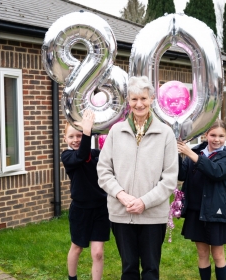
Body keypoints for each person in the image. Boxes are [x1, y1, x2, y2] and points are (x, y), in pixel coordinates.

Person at [97, 76, 178, 280]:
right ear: (128, 101)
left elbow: (169, 179)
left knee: (151, 270)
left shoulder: (166, 133)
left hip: (153, 215)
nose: (139, 104)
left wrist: (144, 202)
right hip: (121, 213)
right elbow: (103, 170)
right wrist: (121, 195)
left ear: (151, 99)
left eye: (143, 98)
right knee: (129, 269)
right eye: (134, 99)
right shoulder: (116, 131)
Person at [177, 119, 226, 280]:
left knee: (217, 254)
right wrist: (175, 154)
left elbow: (216, 172)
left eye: (221, 136)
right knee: (202, 253)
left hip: (215, 211)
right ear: (206, 135)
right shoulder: (197, 151)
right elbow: (182, 175)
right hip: (196, 211)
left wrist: (190, 153)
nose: (216, 139)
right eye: (213, 135)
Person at [61, 109, 110, 280]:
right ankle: (72, 278)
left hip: (100, 209)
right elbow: (81, 156)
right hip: (80, 210)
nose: (75, 140)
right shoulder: (67, 156)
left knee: (97, 253)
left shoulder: (96, 155)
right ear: (65, 139)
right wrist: (87, 131)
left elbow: (109, 158)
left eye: (79, 136)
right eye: (71, 137)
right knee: (77, 247)